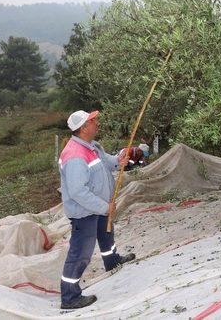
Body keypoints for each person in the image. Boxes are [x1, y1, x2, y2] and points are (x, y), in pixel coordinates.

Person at [58, 110, 136, 309]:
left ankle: (112, 260)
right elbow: (78, 192)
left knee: (106, 233)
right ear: (83, 128)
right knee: (80, 252)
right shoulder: (75, 155)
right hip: (85, 212)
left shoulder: (92, 146)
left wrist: (118, 161)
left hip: (99, 207)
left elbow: (105, 162)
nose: (97, 123)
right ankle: (69, 297)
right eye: (93, 121)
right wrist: (104, 206)